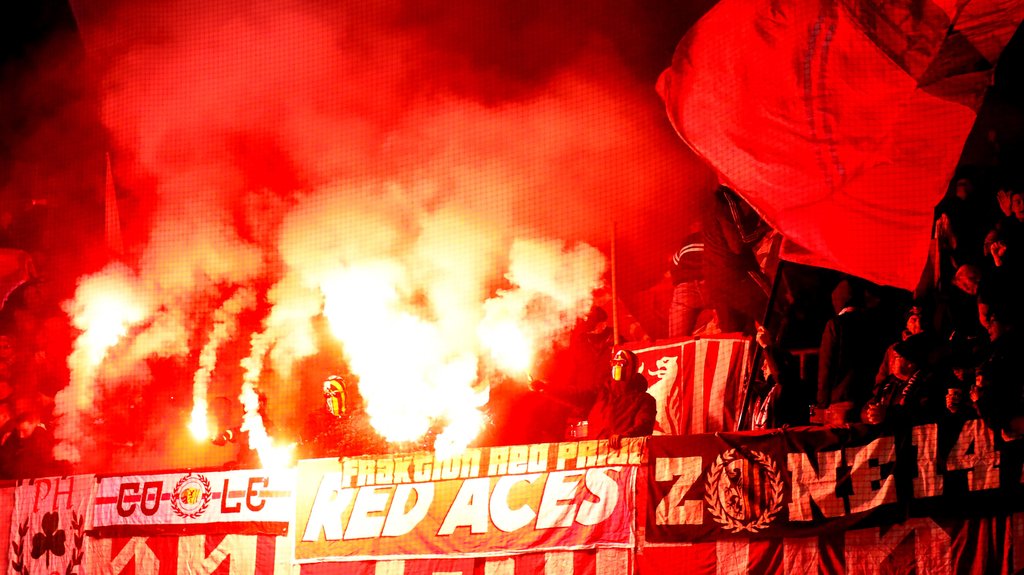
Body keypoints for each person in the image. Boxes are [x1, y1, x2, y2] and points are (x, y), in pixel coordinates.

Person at [813, 279, 886, 425]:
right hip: (867, 399)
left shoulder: (835, 325)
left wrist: (822, 403)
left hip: (840, 401)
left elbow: (826, 365)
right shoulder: (873, 324)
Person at [587, 349, 656, 448]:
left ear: (632, 368)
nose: (617, 366)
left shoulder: (644, 400)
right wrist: (557, 390)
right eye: (614, 362)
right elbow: (577, 395)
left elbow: (644, 425)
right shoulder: (601, 394)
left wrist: (624, 436)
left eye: (622, 363)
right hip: (596, 454)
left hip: (626, 453)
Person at [667, 228, 707, 337]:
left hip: (685, 290)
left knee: (676, 341)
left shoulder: (686, 242)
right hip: (711, 284)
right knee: (728, 333)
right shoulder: (713, 235)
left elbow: (673, 265)